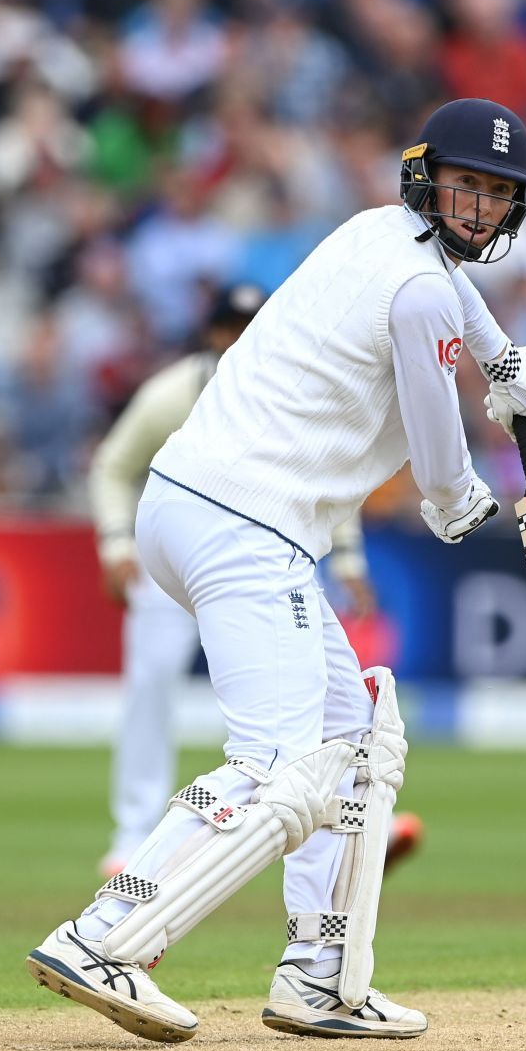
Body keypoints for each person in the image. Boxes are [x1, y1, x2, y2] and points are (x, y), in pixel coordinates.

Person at [28, 98, 526, 1043]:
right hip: (245, 522)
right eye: (465, 184)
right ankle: (105, 936)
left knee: (355, 739)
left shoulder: (380, 238)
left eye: (496, 193)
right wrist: (461, 501)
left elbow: (463, 319)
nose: (477, 208)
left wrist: (507, 365)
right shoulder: (420, 287)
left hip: (200, 508)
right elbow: (440, 465)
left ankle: (323, 976)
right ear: (427, 176)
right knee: (275, 765)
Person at [87, 282, 423, 879]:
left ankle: (348, 815)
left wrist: (347, 560)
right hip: (173, 555)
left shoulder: (290, 388)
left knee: (301, 689)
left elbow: (323, 477)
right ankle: (133, 837)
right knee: (154, 683)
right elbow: (113, 465)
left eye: (251, 325)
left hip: (260, 548)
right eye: (229, 328)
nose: (239, 338)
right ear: (212, 335)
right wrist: (115, 542)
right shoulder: (175, 392)